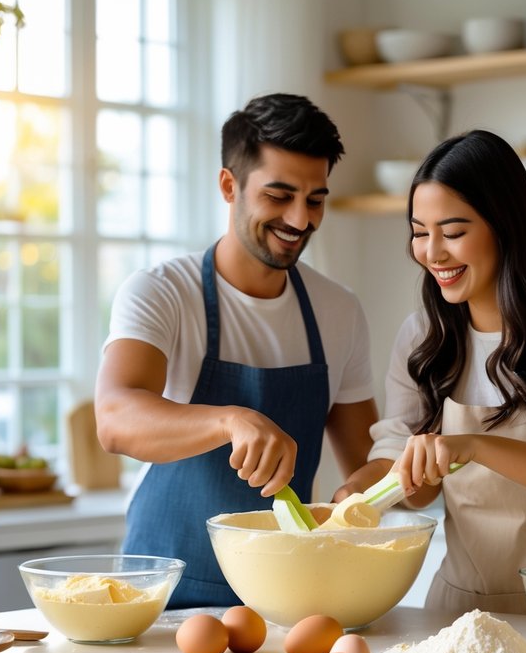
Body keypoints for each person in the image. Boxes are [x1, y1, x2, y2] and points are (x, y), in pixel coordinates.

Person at [96, 93, 379, 608]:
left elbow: (368, 463)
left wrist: (357, 498)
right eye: (279, 195)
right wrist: (230, 421)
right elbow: (116, 418)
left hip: (286, 604)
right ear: (230, 186)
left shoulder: (339, 311)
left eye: (315, 199)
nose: (301, 219)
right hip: (159, 601)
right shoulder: (162, 292)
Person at [337, 129, 526, 615]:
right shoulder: (422, 335)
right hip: (460, 608)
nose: (432, 253)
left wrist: (471, 446)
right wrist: (353, 492)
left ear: (504, 224)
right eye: (419, 232)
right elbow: (414, 481)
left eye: (452, 232)